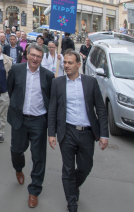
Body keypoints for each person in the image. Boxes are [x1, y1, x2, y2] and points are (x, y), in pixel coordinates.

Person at [48, 49, 109, 212]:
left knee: (85, 167)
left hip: (87, 133)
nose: (66, 65)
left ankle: (73, 186)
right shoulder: (57, 83)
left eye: (70, 63)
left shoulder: (90, 82)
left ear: (78, 65)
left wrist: (104, 134)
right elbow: (52, 109)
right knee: (67, 169)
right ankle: (72, 203)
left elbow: (101, 109)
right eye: (65, 62)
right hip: (66, 132)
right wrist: (51, 133)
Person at [7, 43, 55, 208]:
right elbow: (11, 90)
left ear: (42, 59)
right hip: (19, 119)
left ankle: (34, 191)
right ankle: (18, 168)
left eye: (39, 56)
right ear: (27, 54)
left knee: (39, 157)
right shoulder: (16, 69)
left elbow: (51, 100)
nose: (35, 59)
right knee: (16, 151)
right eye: (33, 55)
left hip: (39, 121)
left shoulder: (48, 76)